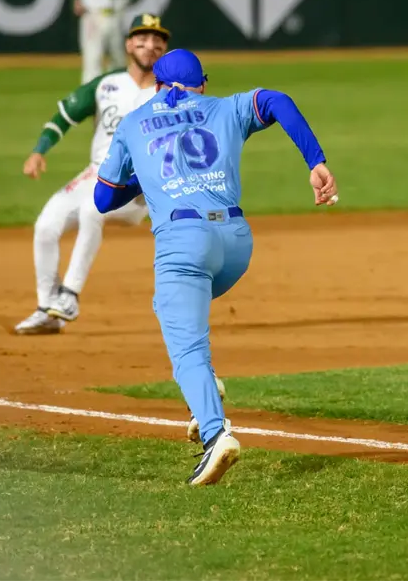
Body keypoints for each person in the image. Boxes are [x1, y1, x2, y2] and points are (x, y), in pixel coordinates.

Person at [94, 49, 339, 485]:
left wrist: (144, 177)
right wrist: (315, 161)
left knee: (185, 343)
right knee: (171, 311)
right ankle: (203, 389)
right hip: (236, 244)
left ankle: (215, 435)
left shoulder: (134, 122)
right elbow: (277, 99)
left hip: (184, 245)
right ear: (201, 83)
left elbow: (102, 199)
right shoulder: (224, 107)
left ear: (157, 85)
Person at [14, 14, 170, 335]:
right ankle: (48, 311)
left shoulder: (169, 93)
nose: (149, 45)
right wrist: (39, 151)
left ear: (164, 49)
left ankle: (69, 294)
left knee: (91, 210)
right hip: (95, 176)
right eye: (142, 38)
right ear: (128, 44)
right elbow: (64, 115)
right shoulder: (106, 85)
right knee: (46, 226)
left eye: (157, 41)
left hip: (137, 187)